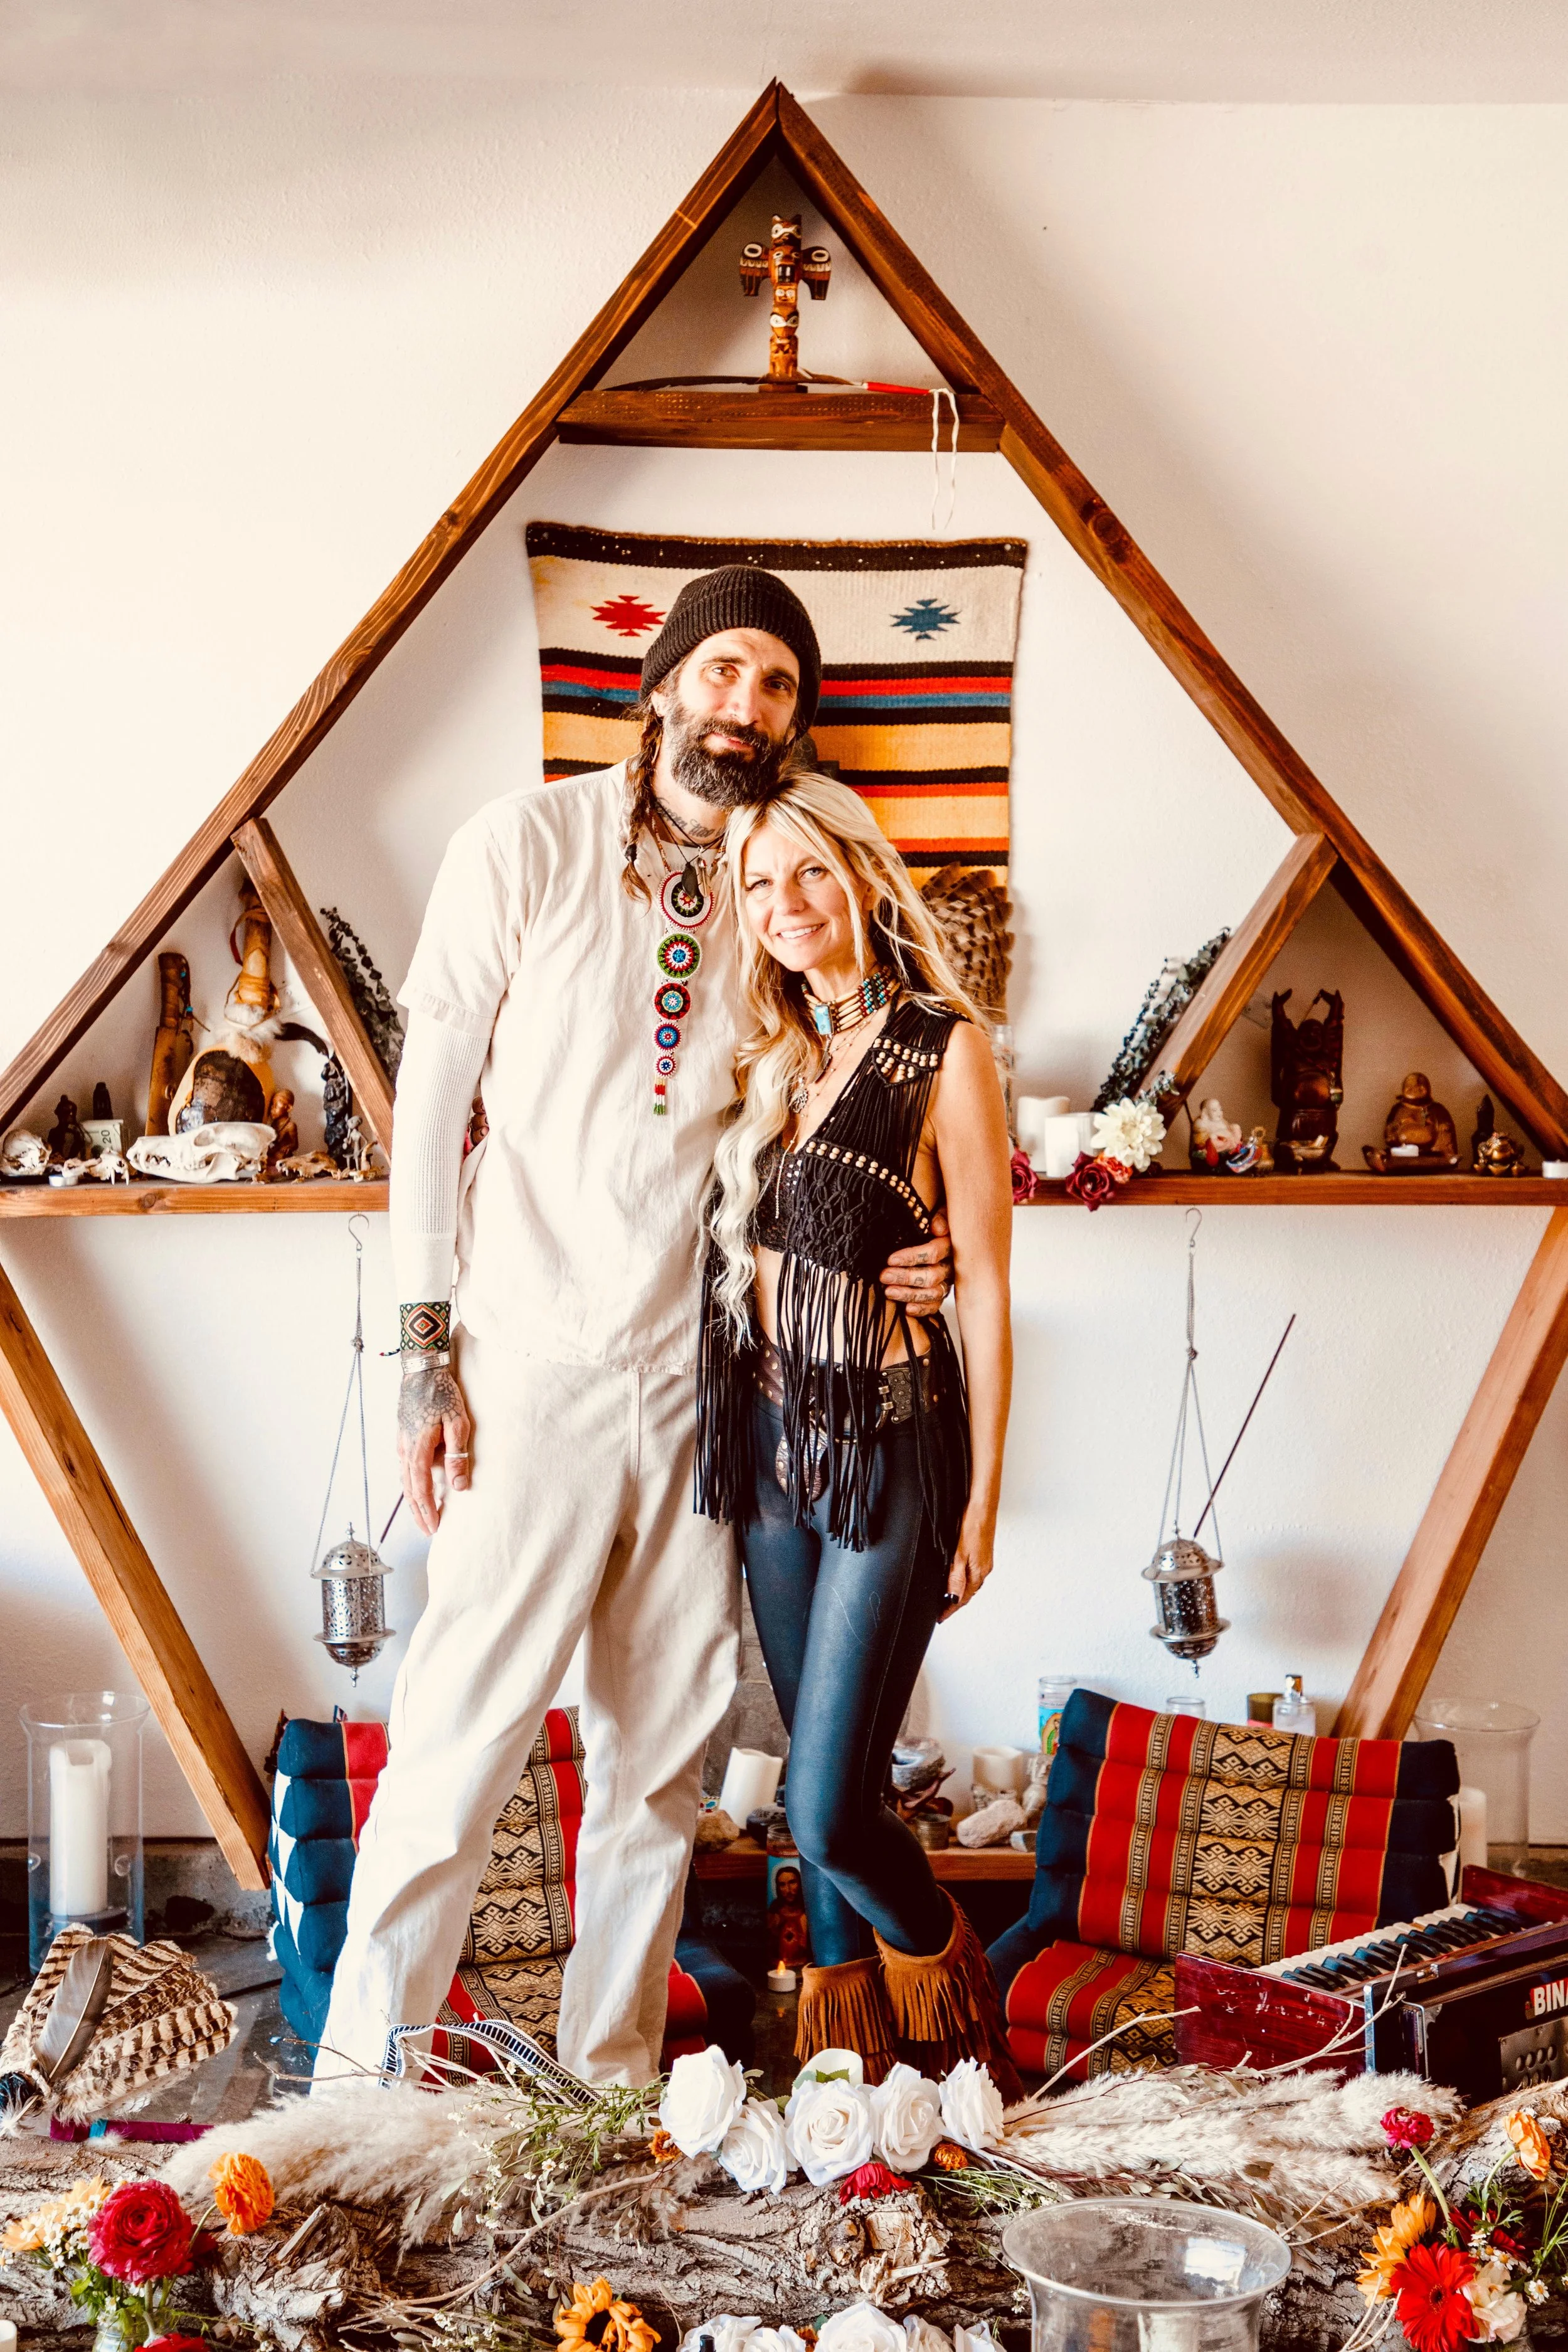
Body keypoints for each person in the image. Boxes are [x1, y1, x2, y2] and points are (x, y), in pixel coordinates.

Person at [317, 566, 952, 2087]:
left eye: (780, 687)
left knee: (657, 1767)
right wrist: (421, 1362)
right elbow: (427, 1117)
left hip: (706, 1396)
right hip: (526, 1367)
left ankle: (601, 2094)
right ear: (665, 682)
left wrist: (912, 1242)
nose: (748, 707)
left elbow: (872, 1066)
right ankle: (360, 2088)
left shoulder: (772, 882)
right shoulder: (520, 844)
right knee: (461, 1747)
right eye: (726, 671)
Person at [696, 770, 1020, 2099]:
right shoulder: (762, 1058)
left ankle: (958, 2022)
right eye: (758, 884)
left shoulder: (940, 1047)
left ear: (863, 877)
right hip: (770, 1452)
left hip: (891, 1454)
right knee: (820, 1822)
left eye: (809, 873)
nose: (784, 905)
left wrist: (982, 1502)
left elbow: (989, 1285)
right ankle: (852, 2116)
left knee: (826, 1803)